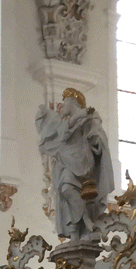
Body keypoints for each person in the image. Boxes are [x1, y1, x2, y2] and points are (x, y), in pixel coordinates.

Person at [35, 89, 114, 241]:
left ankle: (81, 226)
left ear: (73, 102)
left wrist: (97, 141)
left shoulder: (90, 117)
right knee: (66, 189)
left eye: (65, 102)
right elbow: (62, 134)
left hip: (82, 163)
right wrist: (79, 115)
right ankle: (80, 224)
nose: (62, 105)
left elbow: (98, 134)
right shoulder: (67, 122)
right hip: (66, 163)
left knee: (70, 188)